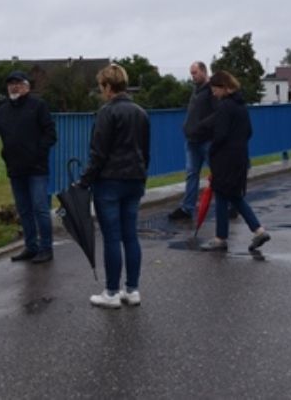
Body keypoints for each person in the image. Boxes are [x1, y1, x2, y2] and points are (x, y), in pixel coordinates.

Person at [0, 70, 57, 264]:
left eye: (18, 83)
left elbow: (50, 134)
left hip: (36, 169)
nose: (14, 87)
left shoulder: (38, 106)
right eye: (11, 84)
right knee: (24, 210)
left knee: (40, 208)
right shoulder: (2, 112)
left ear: (27, 87)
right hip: (15, 168)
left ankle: (46, 248)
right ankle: (31, 247)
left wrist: (38, 154)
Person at [78, 64, 151, 309]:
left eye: (101, 86)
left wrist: (84, 181)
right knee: (130, 236)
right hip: (135, 180)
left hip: (109, 182)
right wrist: (141, 177)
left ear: (108, 86)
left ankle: (111, 292)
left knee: (111, 238)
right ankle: (132, 290)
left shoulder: (106, 113)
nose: (101, 91)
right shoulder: (141, 112)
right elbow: (145, 151)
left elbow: (98, 154)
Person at [199, 71, 271, 253]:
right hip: (240, 156)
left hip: (225, 158)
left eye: (215, 90)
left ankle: (222, 238)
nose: (214, 93)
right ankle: (256, 231)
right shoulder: (241, 106)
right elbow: (249, 132)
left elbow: (220, 135)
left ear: (224, 87)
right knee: (231, 195)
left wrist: (212, 150)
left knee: (225, 195)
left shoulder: (225, 107)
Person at [168, 61, 216, 221]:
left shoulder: (211, 90)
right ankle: (187, 208)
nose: (192, 76)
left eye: (195, 73)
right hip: (192, 140)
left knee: (219, 173)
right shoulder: (196, 90)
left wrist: (202, 126)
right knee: (191, 174)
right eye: (191, 73)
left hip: (206, 140)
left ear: (203, 71)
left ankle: (231, 204)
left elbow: (218, 114)